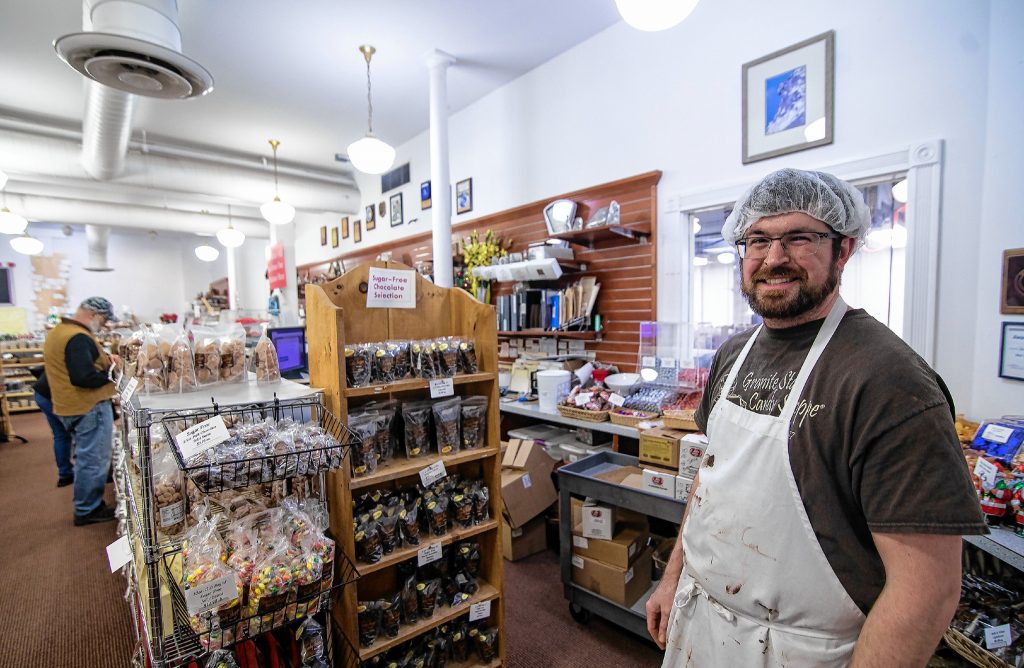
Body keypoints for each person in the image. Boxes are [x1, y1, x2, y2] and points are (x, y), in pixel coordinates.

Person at [645, 168, 985, 666]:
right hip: (702, 623)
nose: (774, 258)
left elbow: (928, 590)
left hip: (806, 649)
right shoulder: (733, 355)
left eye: (799, 238)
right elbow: (711, 479)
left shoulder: (891, 380)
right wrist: (674, 577)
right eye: (757, 239)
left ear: (842, 250)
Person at [43, 297, 118, 526]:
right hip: (86, 407)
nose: (104, 325)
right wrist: (114, 375)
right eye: (104, 320)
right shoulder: (78, 337)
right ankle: (87, 509)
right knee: (92, 458)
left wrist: (105, 361)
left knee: (86, 455)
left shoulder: (60, 331)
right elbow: (83, 377)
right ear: (93, 315)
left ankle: (88, 503)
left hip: (70, 406)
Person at [31, 370, 75, 487]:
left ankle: (65, 473)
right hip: (51, 395)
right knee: (75, 433)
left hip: (43, 394)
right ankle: (78, 473)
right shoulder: (82, 355)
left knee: (60, 435)